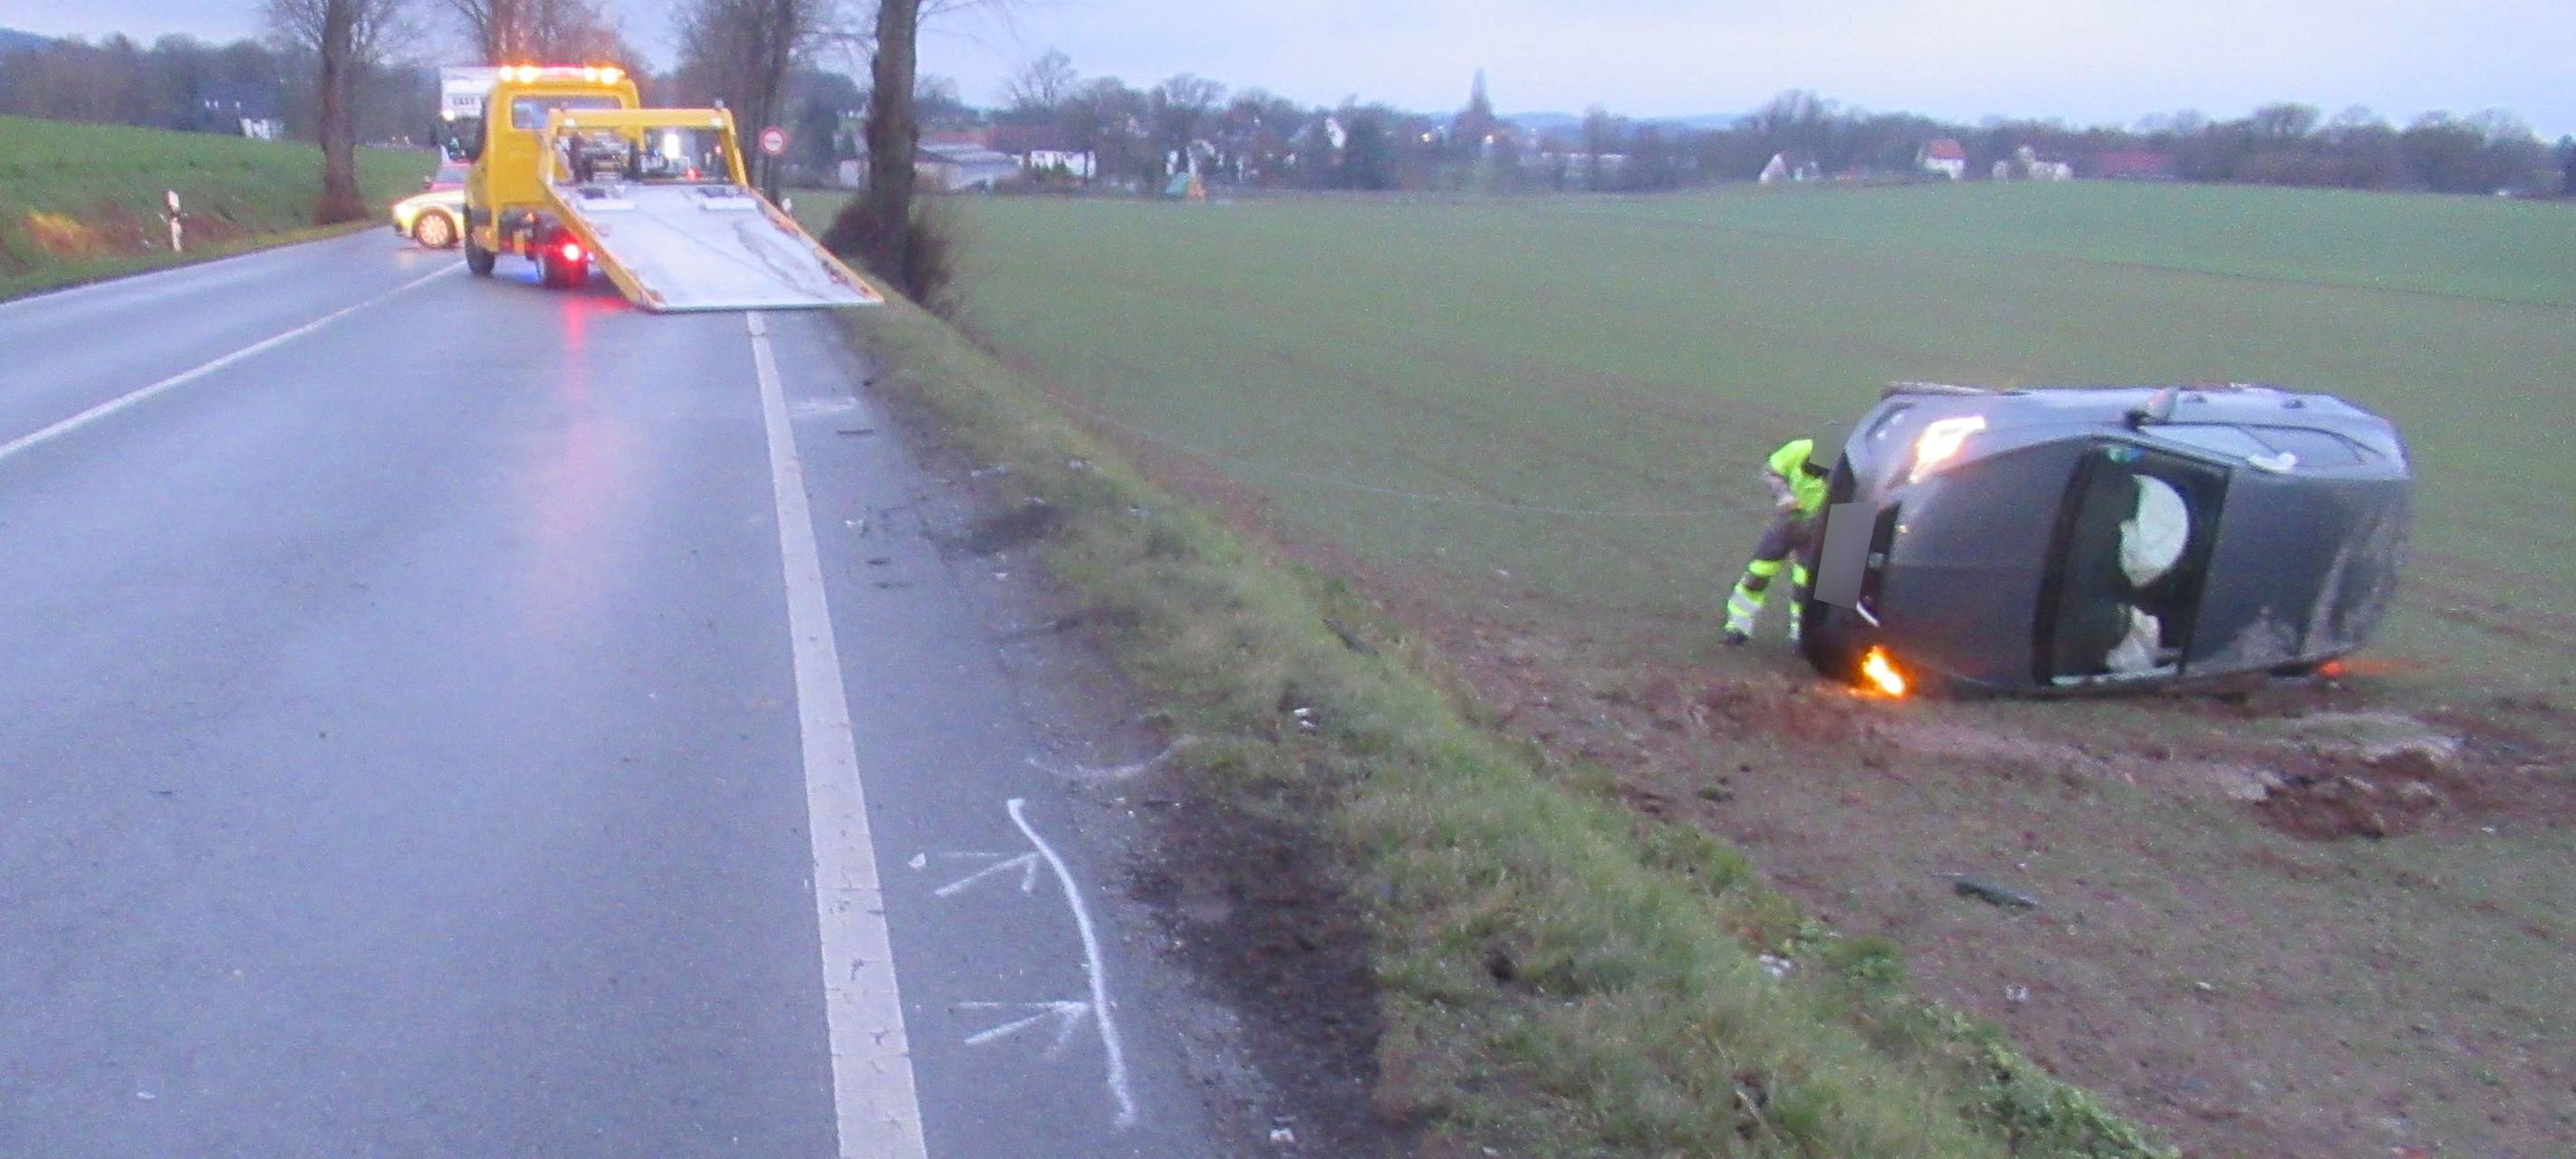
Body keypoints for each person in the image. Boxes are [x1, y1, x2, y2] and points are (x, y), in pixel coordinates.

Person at [1724, 438, 1831, 647]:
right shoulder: (1797, 449)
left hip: (1817, 531)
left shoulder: (1845, 470)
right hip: (1785, 525)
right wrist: (1784, 495)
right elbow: (1771, 472)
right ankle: (1737, 627)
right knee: (1757, 574)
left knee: (1805, 586)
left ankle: (1800, 636)